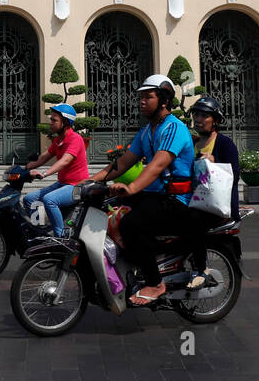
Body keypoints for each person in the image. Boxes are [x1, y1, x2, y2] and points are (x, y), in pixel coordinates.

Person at [90, 74, 195, 306]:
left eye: (149, 97)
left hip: (177, 199)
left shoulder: (174, 128)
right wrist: (90, 181)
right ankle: (129, 266)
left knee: (131, 224)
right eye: (141, 97)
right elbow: (123, 162)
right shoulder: (148, 131)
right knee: (108, 210)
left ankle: (155, 282)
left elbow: (158, 165)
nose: (142, 102)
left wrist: (132, 187)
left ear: (164, 100)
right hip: (156, 196)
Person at [185, 96, 241, 289]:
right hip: (194, 198)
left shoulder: (224, 144)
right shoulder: (191, 142)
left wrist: (214, 161)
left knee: (192, 219)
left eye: (204, 116)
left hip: (217, 206)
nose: (198, 119)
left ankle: (201, 269)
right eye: (196, 114)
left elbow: (234, 174)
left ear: (215, 120)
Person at [22, 104, 89, 238]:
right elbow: (43, 158)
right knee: (29, 199)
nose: (50, 123)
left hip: (76, 185)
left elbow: (65, 161)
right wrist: (23, 169)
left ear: (64, 122)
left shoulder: (75, 139)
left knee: (49, 200)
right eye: (51, 120)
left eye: (54, 120)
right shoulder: (58, 140)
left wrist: (45, 173)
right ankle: (41, 230)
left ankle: (60, 236)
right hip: (62, 184)